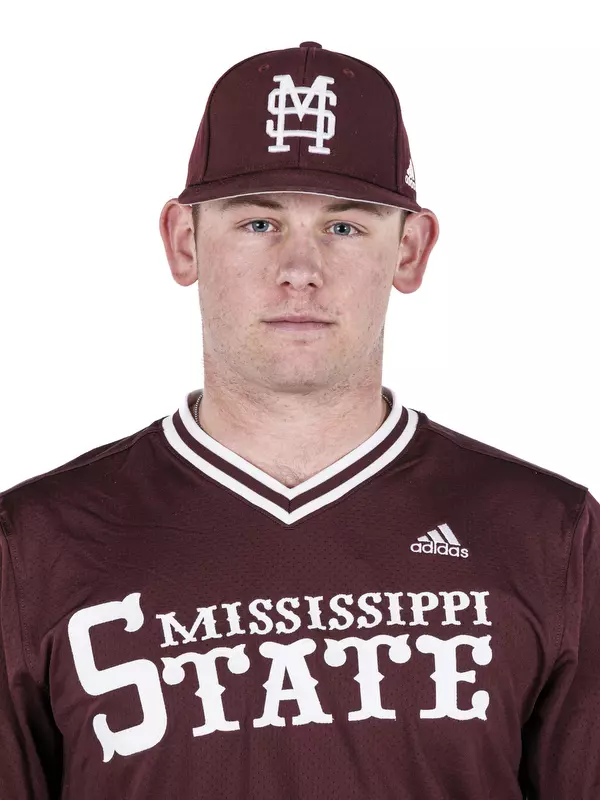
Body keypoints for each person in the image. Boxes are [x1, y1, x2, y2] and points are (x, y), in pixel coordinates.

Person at [0, 40, 598, 800]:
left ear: (410, 251)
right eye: (257, 223)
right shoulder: (33, 548)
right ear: (183, 241)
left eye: (345, 228)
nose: (299, 269)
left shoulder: (549, 536)